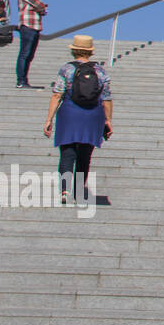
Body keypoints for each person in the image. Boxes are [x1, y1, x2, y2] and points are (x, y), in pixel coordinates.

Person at [43, 35, 111, 204]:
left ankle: (65, 190)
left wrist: (49, 119)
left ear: (73, 50)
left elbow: (57, 94)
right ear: (91, 51)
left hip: (69, 113)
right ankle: (78, 191)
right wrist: (108, 120)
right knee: (85, 155)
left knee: (67, 153)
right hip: (92, 114)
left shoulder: (66, 69)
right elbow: (107, 98)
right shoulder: (100, 71)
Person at [16, 0, 48, 88]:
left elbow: (42, 9)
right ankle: (21, 80)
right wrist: (41, 8)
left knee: (29, 55)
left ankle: (24, 79)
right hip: (28, 25)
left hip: (34, 26)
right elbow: (40, 5)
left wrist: (41, 9)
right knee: (25, 53)